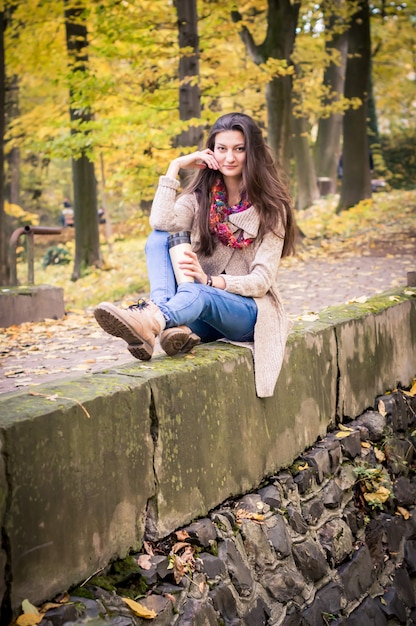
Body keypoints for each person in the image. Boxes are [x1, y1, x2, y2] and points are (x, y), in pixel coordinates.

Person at [94, 112, 296, 397]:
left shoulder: (273, 209)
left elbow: (262, 281)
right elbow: (160, 225)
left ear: (253, 153)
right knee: (158, 239)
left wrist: (211, 281)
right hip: (200, 308)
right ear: (210, 151)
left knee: (198, 291)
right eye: (222, 149)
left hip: (250, 313)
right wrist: (174, 167)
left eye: (239, 149)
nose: (229, 158)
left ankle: (150, 320)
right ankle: (162, 325)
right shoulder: (199, 200)